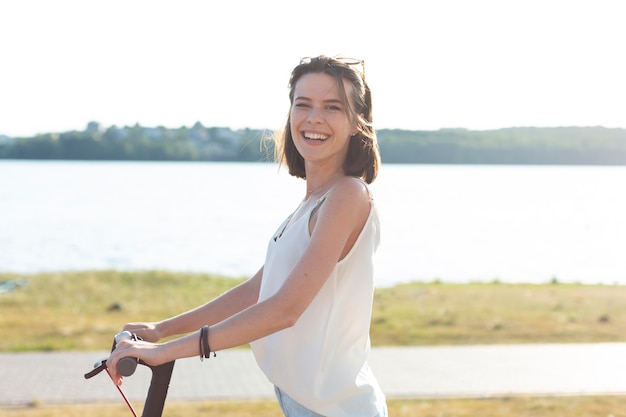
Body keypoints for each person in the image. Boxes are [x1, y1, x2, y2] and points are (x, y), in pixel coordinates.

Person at [107, 55, 387, 417]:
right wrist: (160, 330)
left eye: (332, 107)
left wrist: (165, 353)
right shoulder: (312, 203)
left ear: (357, 123)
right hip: (302, 403)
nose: (314, 117)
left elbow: (284, 309)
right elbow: (257, 290)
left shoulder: (348, 195)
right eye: (303, 105)